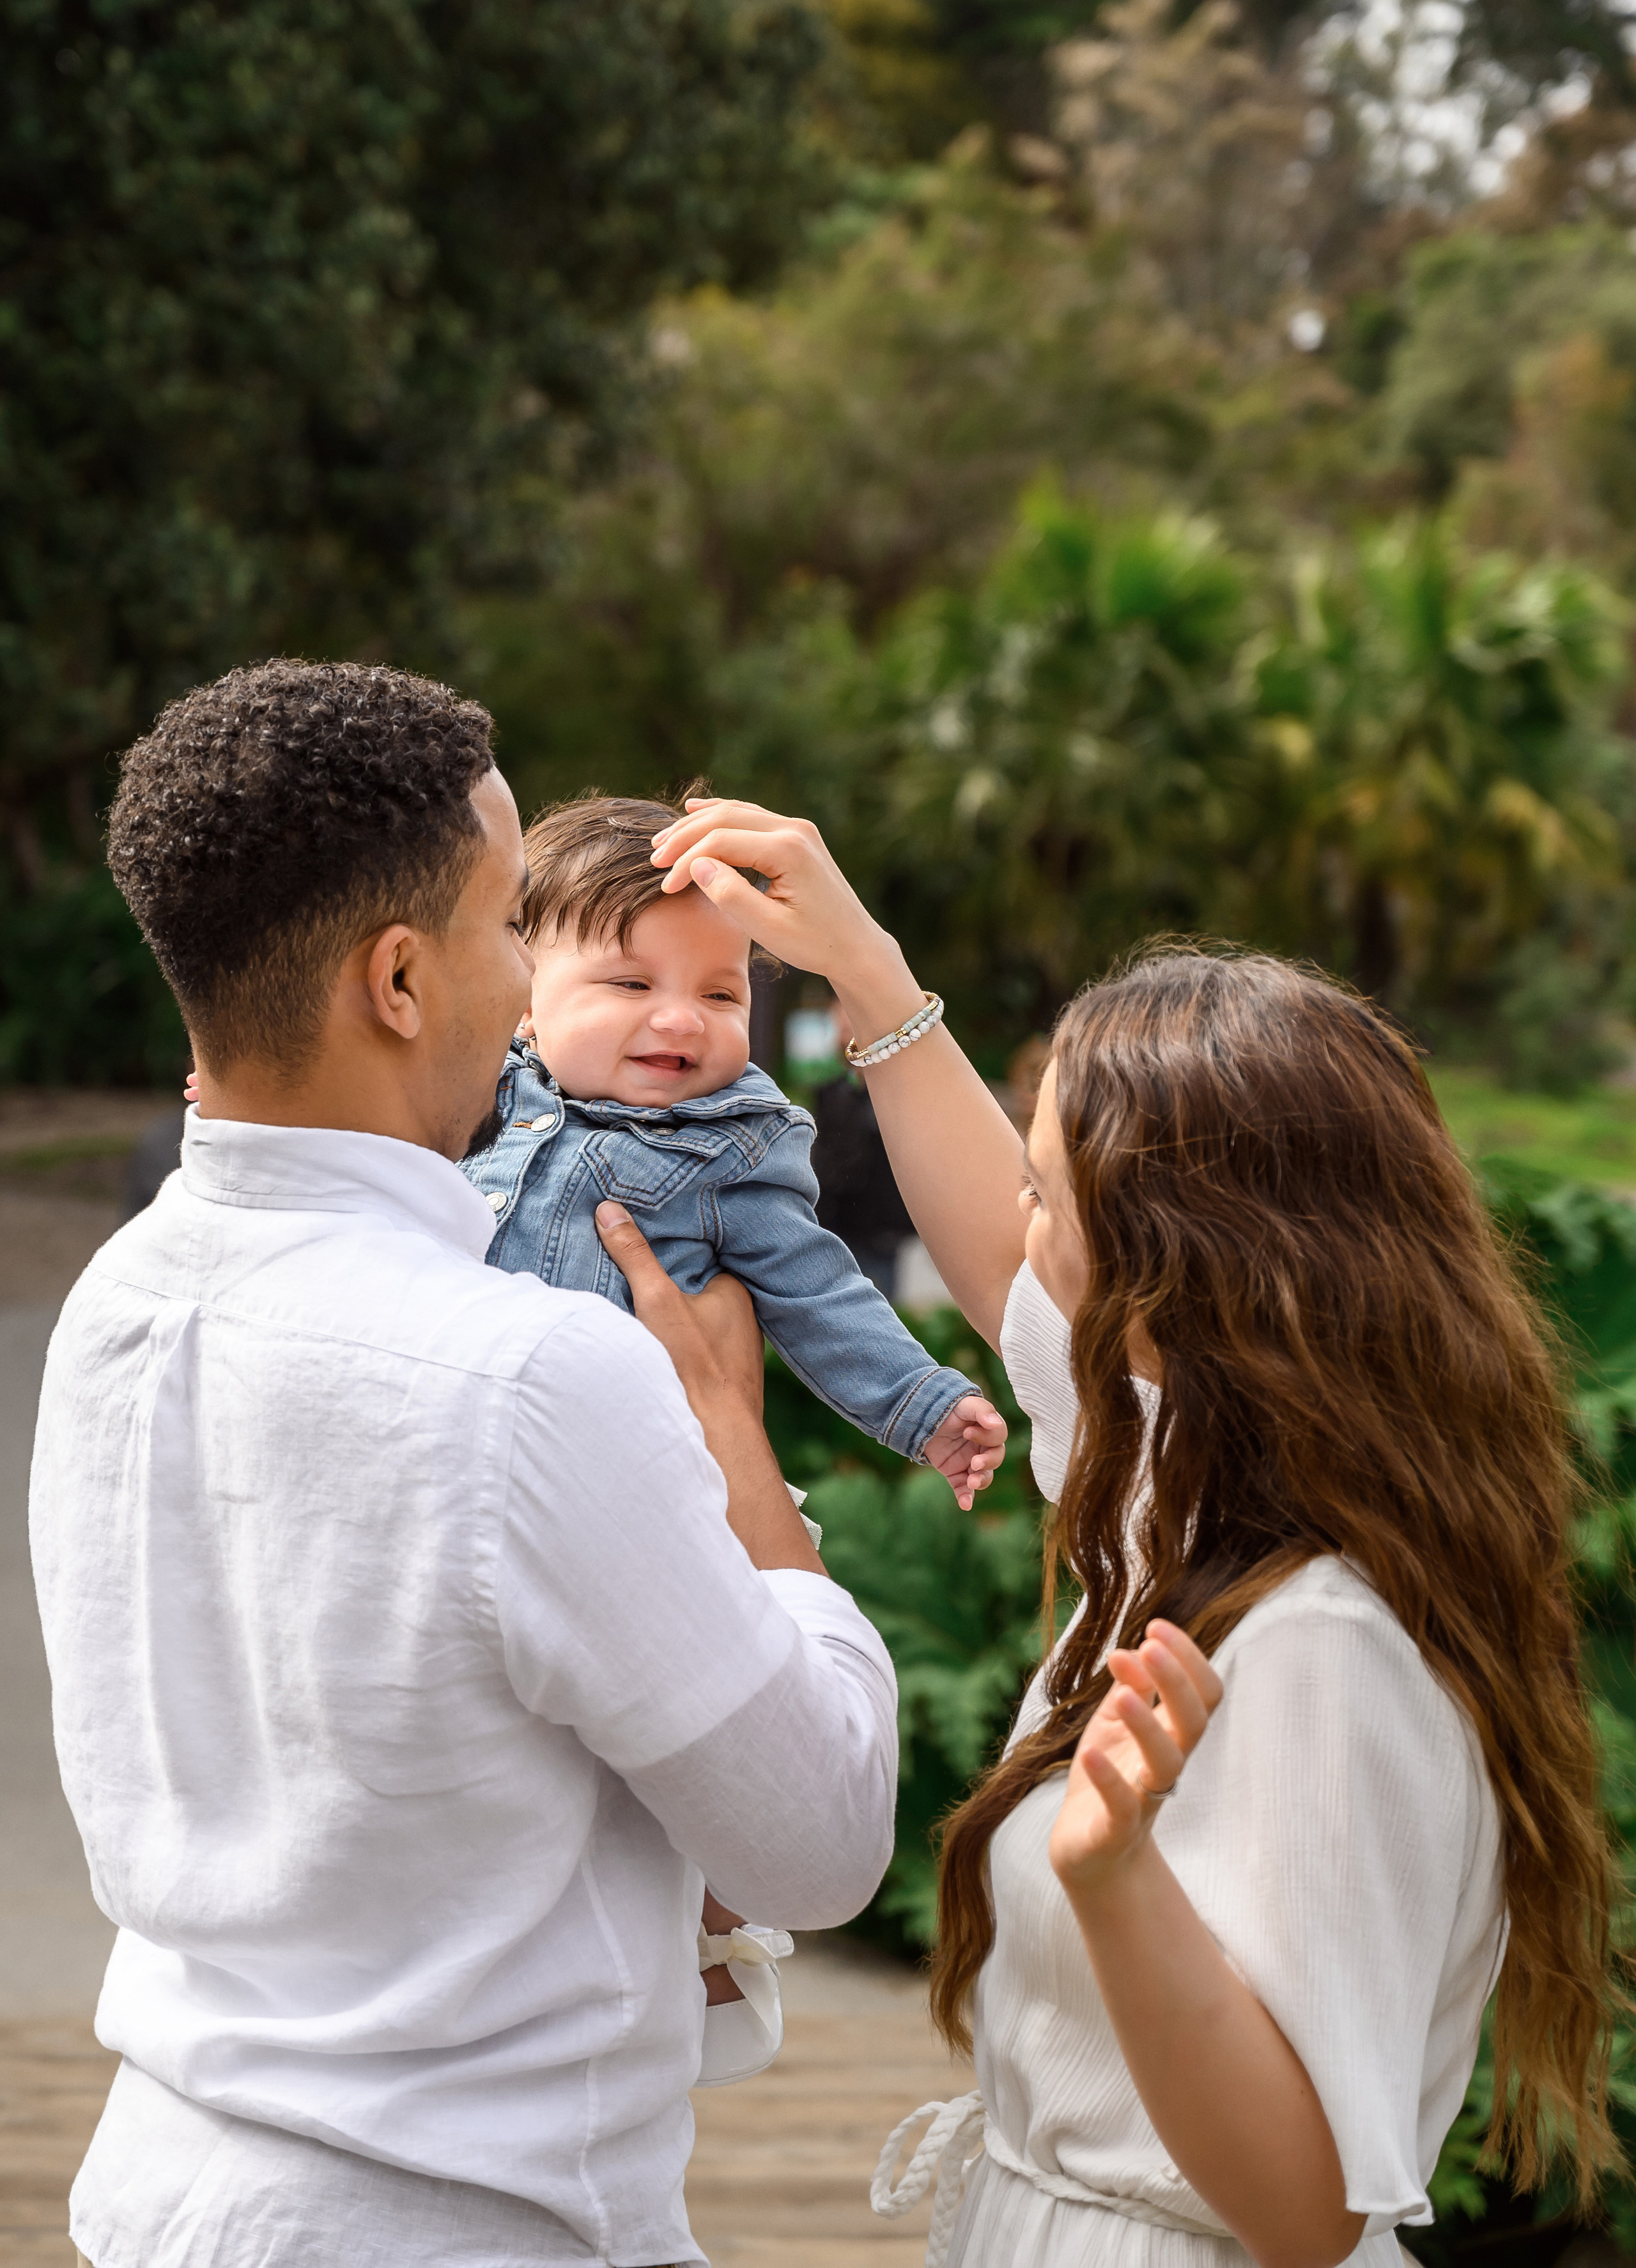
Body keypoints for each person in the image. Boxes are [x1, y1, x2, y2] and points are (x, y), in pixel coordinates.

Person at [644, 797, 1618, 2268]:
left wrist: (1114, 1882)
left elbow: (1305, 2207)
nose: (1018, 1227)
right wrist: (860, 964)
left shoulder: (1323, 1649)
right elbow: (997, 1259)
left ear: (1176, 1268)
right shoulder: (1212, 1479)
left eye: (1053, 1192)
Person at [30, 668, 900, 2268]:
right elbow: (819, 1836)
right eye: (513, 921)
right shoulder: (529, 1375)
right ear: (402, 982)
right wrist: (742, 1461)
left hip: (160, 2196)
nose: (529, 975)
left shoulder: (115, 1300)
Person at [461, 791, 1007, 1506]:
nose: (681, 1018)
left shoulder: (732, 1144)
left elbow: (815, 1290)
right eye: (631, 982)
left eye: (721, 995)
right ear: (525, 996)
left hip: (606, 1483)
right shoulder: (470, 1084)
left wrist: (922, 1404)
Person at [810, 1000, 916, 1301]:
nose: (845, 1037)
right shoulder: (830, 1093)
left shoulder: (894, 1094)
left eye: (850, 1026)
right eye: (840, 1028)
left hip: (878, 1233)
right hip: (834, 1226)